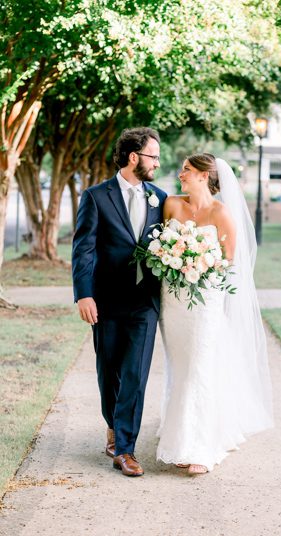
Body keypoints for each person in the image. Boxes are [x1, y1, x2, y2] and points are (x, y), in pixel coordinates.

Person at [156, 153, 273, 474]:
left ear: (204, 176)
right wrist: (174, 260)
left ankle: (200, 448)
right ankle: (179, 434)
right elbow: (162, 245)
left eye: (187, 170)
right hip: (174, 299)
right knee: (180, 367)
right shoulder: (172, 206)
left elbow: (229, 263)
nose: (181, 174)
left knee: (199, 368)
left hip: (205, 300)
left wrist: (199, 264)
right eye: (183, 170)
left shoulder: (222, 213)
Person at [72, 127, 167, 477]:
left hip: (145, 303)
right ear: (133, 157)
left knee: (135, 374)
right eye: (153, 156)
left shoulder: (161, 197)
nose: (157, 162)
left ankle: (125, 448)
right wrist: (84, 293)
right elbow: (83, 249)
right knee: (108, 370)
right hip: (106, 300)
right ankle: (112, 424)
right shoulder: (96, 196)